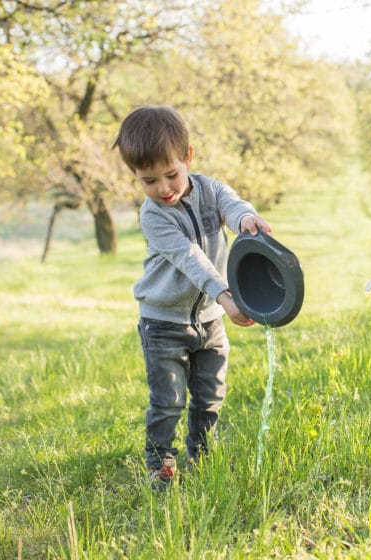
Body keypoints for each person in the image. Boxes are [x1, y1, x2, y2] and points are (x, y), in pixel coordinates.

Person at [113, 105, 271, 489]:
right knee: (168, 400)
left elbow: (232, 205)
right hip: (163, 322)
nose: (163, 189)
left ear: (188, 157)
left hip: (210, 320)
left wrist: (245, 219)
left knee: (210, 394)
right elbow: (190, 259)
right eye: (149, 181)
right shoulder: (153, 216)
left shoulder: (211, 189)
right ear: (135, 176)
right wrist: (225, 293)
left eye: (171, 175)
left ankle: (202, 454)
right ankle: (161, 463)